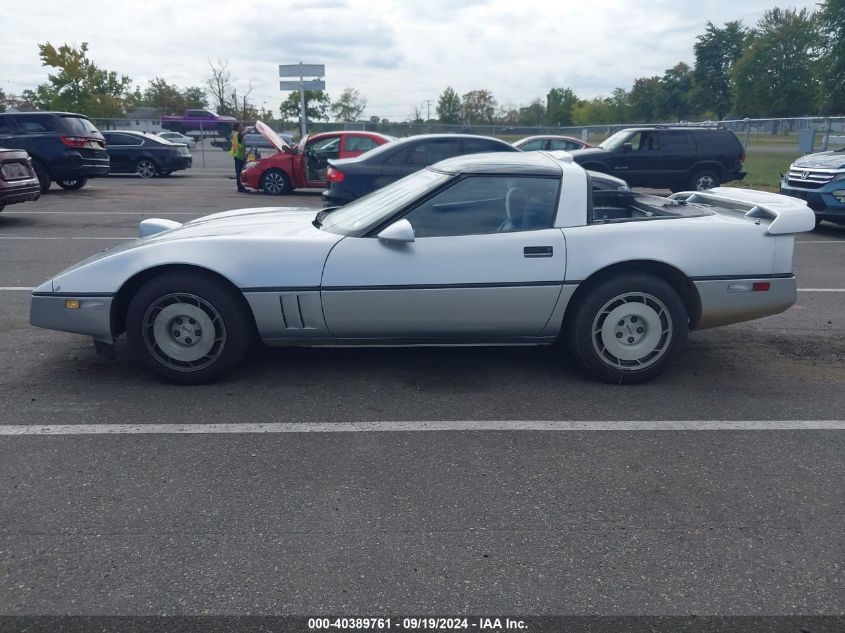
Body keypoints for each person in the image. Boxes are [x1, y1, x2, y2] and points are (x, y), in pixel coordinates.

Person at [230, 123, 247, 192]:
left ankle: (241, 186)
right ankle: (240, 187)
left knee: (240, 173)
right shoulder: (237, 134)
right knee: (239, 173)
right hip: (238, 156)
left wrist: (245, 156)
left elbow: (242, 146)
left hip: (241, 156)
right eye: (241, 126)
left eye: (243, 126)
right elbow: (241, 135)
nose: (242, 127)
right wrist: (249, 130)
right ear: (237, 128)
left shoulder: (239, 135)